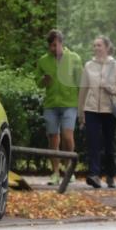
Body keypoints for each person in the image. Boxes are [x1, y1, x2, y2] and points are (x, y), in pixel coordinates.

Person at [34, 30, 82, 185]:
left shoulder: (74, 59)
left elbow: (81, 83)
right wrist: (44, 80)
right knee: (53, 139)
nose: (52, 49)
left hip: (70, 104)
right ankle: (55, 172)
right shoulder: (43, 61)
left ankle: (68, 170)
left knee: (68, 137)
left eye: (55, 45)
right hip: (51, 105)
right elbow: (38, 82)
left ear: (62, 43)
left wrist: (82, 106)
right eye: (50, 46)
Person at [77, 35, 116, 189]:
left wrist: (111, 89)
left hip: (109, 110)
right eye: (94, 45)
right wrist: (81, 113)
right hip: (91, 109)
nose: (96, 48)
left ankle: (110, 175)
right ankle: (94, 175)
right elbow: (83, 90)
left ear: (107, 47)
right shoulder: (88, 65)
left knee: (108, 143)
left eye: (99, 45)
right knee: (93, 143)